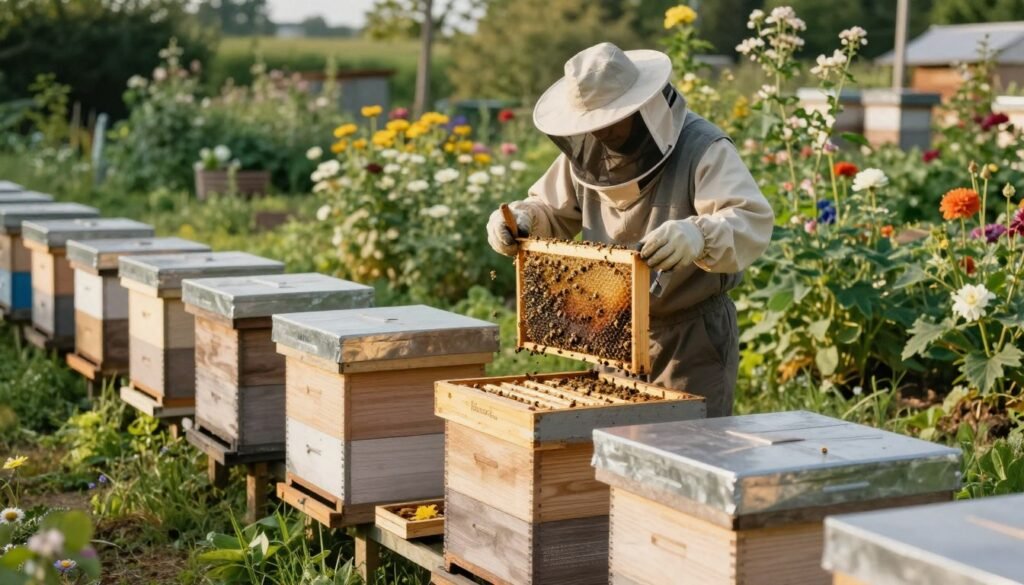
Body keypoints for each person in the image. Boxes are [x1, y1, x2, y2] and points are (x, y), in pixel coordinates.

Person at [486, 42, 774, 417]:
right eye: (592, 124)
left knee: (689, 455)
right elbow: (550, 210)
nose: (601, 134)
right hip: (610, 332)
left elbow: (749, 219)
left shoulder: (703, 147)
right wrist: (523, 220)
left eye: (609, 120)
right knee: (617, 452)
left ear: (643, 107)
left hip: (690, 337)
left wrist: (700, 235)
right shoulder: (589, 151)